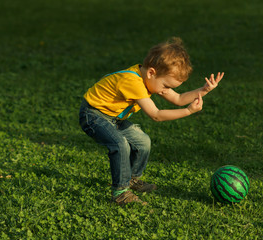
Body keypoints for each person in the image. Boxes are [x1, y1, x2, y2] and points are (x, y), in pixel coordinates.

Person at [79, 37, 224, 205]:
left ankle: (131, 179)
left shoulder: (151, 79)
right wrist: (188, 111)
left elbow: (178, 98)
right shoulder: (132, 81)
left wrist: (204, 90)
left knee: (143, 142)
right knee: (120, 144)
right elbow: (156, 115)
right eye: (166, 86)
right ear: (151, 73)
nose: (167, 91)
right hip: (93, 115)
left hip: (113, 117)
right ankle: (120, 193)